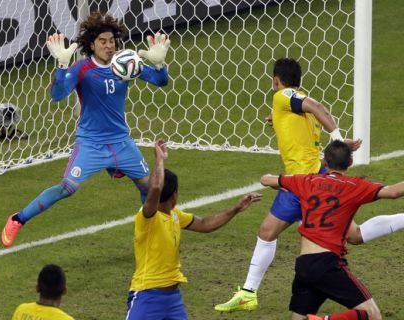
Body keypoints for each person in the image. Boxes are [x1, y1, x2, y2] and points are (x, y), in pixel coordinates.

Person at [215, 58, 404, 312]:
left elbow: (316, 106)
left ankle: (249, 292)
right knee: (353, 235)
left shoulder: (283, 96)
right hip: (316, 174)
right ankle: (249, 292)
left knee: (267, 232)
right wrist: (279, 121)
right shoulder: (296, 107)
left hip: (303, 181)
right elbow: (305, 128)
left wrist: (337, 140)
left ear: (276, 80)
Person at [1, 11, 171, 247]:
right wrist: (61, 66)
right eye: (102, 41)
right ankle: (18, 219)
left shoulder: (125, 63)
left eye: (111, 41)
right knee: (66, 189)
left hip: (121, 141)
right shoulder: (82, 69)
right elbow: (58, 95)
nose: (109, 46)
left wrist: (160, 64)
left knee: (149, 187)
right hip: (91, 143)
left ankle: (151, 233)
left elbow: (160, 81)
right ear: (92, 44)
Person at [261, 140, 404, 320]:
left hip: (304, 265)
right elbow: (393, 192)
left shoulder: (306, 181)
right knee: (372, 314)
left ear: (324, 162)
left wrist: (283, 185)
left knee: (298, 318)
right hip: (327, 264)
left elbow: (266, 180)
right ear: (350, 163)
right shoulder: (355, 186)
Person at [125, 139, 262, 320]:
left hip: (173, 299)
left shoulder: (174, 215)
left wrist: (235, 209)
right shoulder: (147, 217)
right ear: (175, 194)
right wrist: (159, 159)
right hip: (146, 296)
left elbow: (205, 224)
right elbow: (156, 187)